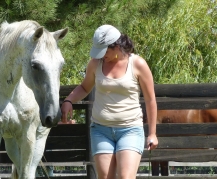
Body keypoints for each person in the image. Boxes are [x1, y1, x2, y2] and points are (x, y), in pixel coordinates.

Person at [60, 24, 158, 179]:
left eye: (104, 51)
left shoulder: (138, 64)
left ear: (117, 46)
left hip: (130, 129)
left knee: (126, 177)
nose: (101, 55)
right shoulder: (95, 64)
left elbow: (150, 99)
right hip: (101, 130)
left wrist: (152, 133)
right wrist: (69, 100)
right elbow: (85, 88)